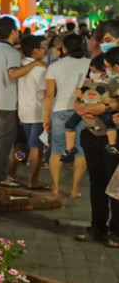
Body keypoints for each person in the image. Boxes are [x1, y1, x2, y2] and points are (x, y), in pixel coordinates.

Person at [0, 16, 41, 187]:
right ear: (13, 32)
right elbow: (13, 73)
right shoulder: (12, 52)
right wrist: (34, 64)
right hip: (6, 102)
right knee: (4, 140)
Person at [74, 50, 119, 246]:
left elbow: (103, 106)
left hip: (113, 139)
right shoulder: (96, 84)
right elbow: (79, 102)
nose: (104, 72)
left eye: (107, 68)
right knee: (97, 182)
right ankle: (98, 227)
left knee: (115, 187)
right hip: (93, 136)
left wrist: (97, 107)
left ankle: (116, 232)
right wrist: (79, 102)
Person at [45, 32, 92, 197]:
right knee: (81, 150)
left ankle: (56, 188)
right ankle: (74, 189)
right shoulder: (89, 64)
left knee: (57, 149)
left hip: (60, 109)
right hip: (83, 110)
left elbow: (49, 94)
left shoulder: (54, 66)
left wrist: (46, 118)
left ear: (64, 48)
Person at [12, 35, 49, 189]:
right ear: (35, 51)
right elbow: (47, 91)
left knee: (21, 147)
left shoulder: (21, 66)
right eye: (42, 48)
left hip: (23, 111)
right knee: (36, 148)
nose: (45, 50)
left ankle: (11, 172)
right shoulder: (40, 69)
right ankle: (33, 180)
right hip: (37, 112)